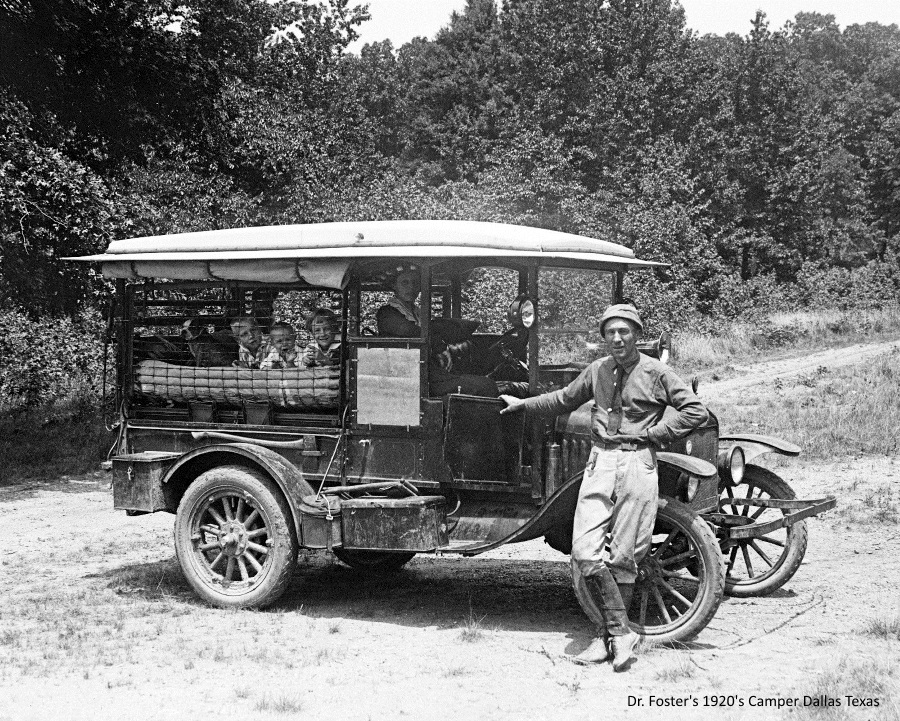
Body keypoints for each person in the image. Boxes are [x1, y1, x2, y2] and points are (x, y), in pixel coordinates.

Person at [499, 304, 708, 671]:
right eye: (610, 332)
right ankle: (621, 634)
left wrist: (655, 434)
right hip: (600, 462)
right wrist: (524, 404)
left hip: (637, 462)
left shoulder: (657, 372)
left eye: (624, 332)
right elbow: (564, 399)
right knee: (584, 551)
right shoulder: (597, 369)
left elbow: (695, 411)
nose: (617, 338)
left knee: (625, 555)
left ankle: (606, 635)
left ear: (637, 335)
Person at [377, 267, 498, 398]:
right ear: (394, 286)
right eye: (405, 282)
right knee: (485, 386)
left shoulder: (417, 313)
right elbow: (411, 331)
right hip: (408, 374)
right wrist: (439, 345)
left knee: (483, 381)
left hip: (427, 370)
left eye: (415, 283)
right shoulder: (387, 312)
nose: (411, 287)